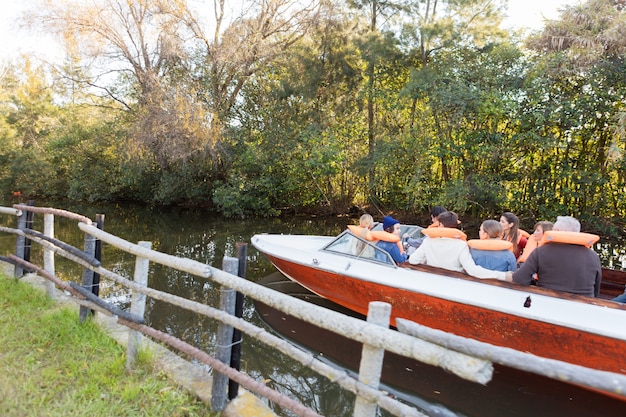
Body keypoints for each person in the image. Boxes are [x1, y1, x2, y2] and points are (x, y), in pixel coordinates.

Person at [508, 216, 602, 297]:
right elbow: (596, 290)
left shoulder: (541, 251)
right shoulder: (593, 256)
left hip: (548, 303)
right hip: (584, 307)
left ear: (556, 231)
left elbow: (519, 279)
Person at [409, 211, 508, 280]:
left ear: (441, 225)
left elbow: (413, 260)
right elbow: (472, 270)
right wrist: (502, 276)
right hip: (453, 283)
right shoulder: (461, 245)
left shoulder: (428, 241)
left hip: (431, 279)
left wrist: (426, 260)